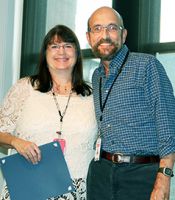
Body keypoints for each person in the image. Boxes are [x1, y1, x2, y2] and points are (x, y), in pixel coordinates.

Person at [86, 6, 175, 200]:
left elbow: (168, 123)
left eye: (112, 28)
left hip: (141, 175)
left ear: (123, 34)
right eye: (97, 28)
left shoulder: (147, 65)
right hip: (101, 173)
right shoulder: (96, 76)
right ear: (89, 37)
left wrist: (164, 177)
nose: (105, 35)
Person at [0, 24, 97, 200]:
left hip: (77, 190)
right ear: (45, 54)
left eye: (68, 46)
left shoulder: (93, 94)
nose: (62, 52)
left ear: (77, 53)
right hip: (28, 187)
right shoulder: (25, 88)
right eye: (54, 46)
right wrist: (16, 141)